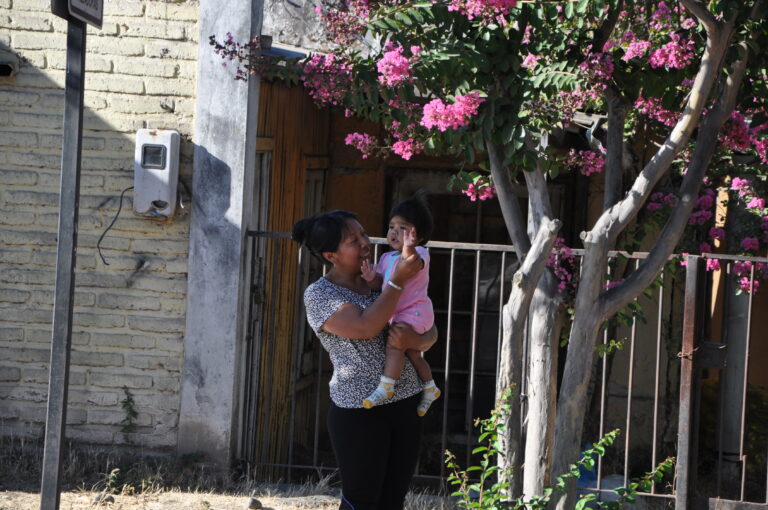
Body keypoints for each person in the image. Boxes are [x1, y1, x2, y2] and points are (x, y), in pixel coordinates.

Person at [292, 209, 437, 510]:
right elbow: (365, 326)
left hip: (406, 402)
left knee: (391, 500)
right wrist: (396, 282)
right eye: (352, 240)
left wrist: (416, 339)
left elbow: (428, 328)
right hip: (360, 409)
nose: (364, 243)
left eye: (363, 233)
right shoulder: (320, 294)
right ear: (331, 255)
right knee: (361, 500)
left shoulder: (379, 278)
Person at [360, 193, 440, 416]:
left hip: (415, 311)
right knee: (413, 354)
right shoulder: (386, 258)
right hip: (401, 312)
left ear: (419, 235)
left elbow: (410, 263)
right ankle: (430, 387)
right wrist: (370, 278)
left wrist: (409, 246)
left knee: (394, 346)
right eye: (391, 226)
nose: (394, 231)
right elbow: (383, 286)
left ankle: (386, 387)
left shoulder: (421, 253)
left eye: (402, 228)